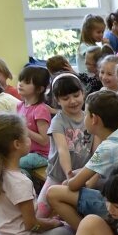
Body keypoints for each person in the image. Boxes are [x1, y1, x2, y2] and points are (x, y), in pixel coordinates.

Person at [46, 89, 118, 230]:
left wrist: (71, 179)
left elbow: (74, 185)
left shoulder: (106, 148)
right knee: (69, 182)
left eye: (86, 114)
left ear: (94, 119)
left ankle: (86, 232)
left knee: (53, 193)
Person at [35, 74, 92, 217]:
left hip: (82, 176)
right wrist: (69, 174)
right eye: (66, 98)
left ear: (83, 93)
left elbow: (95, 150)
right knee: (40, 214)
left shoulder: (90, 118)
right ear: (57, 100)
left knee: (76, 213)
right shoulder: (58, 121)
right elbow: (62, 150)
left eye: (76, 95)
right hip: (58, 175)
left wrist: (84, 177)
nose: (72, 101)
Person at [15, 66, 52, 175]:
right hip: (26, 151)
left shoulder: (40, 109)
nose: (20, 84)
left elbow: (45, 140)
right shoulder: (19, 106)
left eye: (26, 82)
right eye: (20, 80)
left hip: (42, 155)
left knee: (12, 162)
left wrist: (25, 130)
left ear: (40, 89)